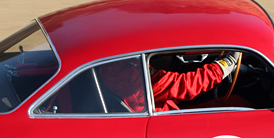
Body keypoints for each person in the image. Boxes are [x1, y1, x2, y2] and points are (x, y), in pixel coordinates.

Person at [101, 51, 241, 113]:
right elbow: (183, 85)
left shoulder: (110, 63)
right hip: (165, 121)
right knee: (236, 105)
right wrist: (223, 66)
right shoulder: (134, 77)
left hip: (161, 107)